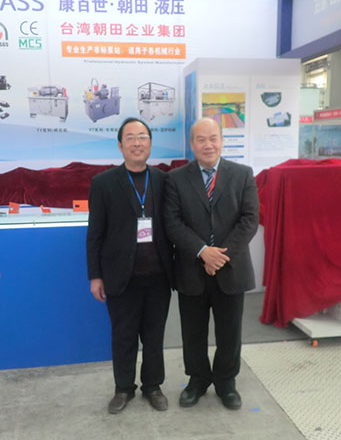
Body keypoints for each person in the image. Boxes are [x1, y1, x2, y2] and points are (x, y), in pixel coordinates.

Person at [164, 117, 259, 410]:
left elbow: (249, 219)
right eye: (201, 139)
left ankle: (226, 383)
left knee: (230, 332)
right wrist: (203, 251)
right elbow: (172, 222)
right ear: (192, 144)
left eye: (213, 138)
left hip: (231, 268)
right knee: (193, 331)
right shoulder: (176, 179)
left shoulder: (242, 174)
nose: (208, 145)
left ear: (222, 141)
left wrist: (219, 256)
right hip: (192, 268)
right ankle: (197, 381)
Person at [86, 118, 173, 414]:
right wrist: (95, 276)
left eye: (143, 137)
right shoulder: (103, 183)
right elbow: (95, 233)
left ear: (150, 142)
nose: (137, 143)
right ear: (120, 145)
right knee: (123, 337)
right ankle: (123, 388)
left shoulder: (163, 180)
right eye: (131, 138)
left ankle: (153, 386)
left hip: (159, 276)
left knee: (154, 337)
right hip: (120, 277)